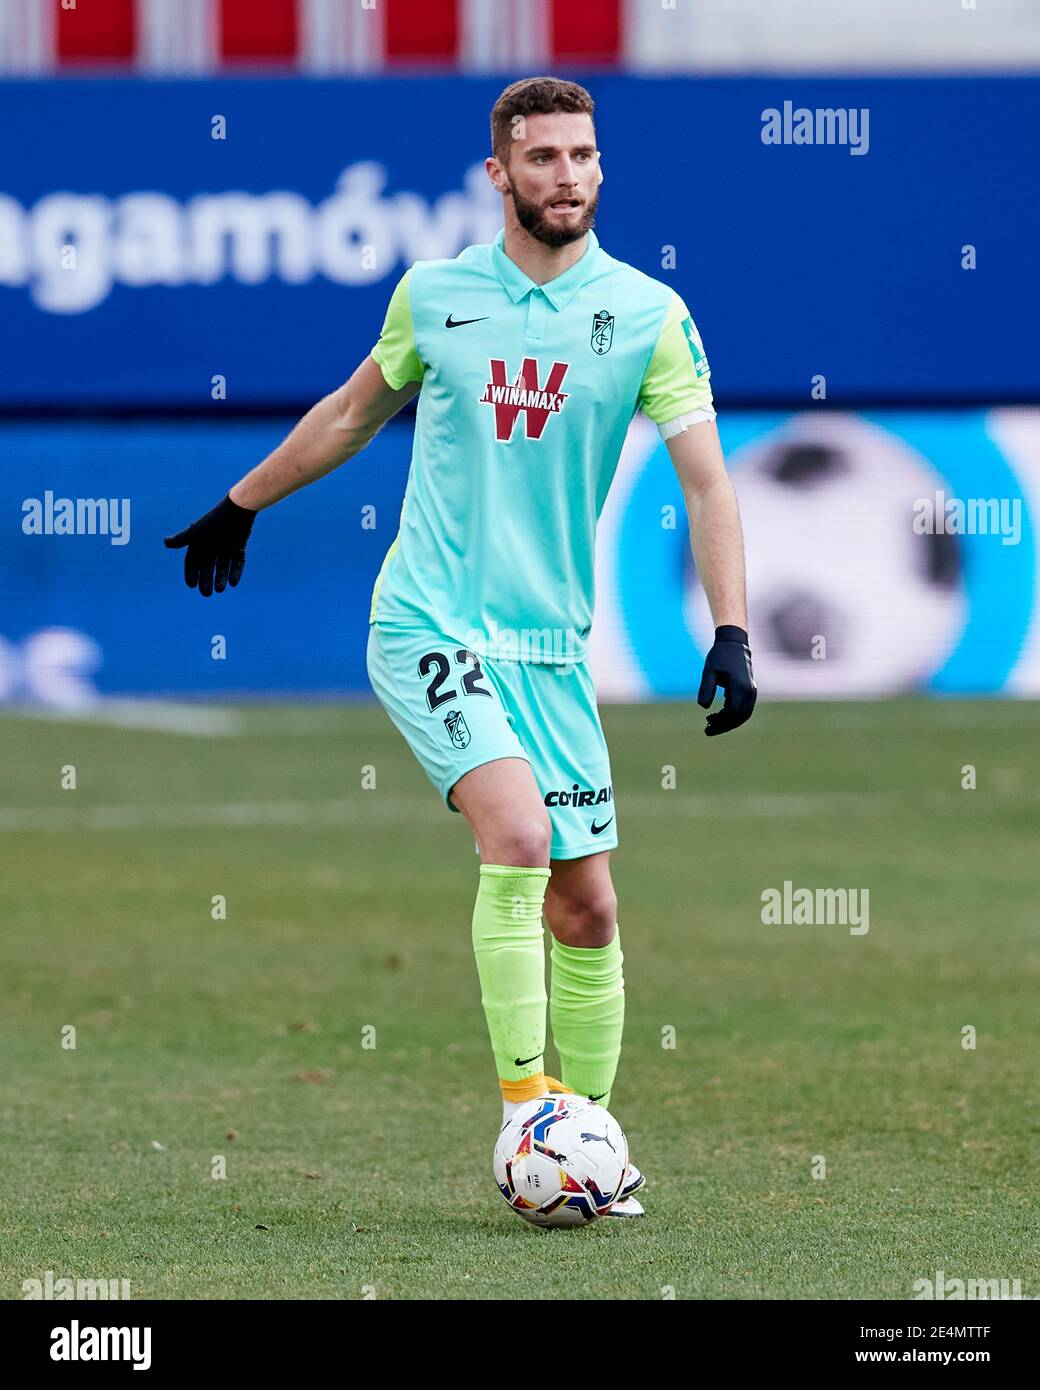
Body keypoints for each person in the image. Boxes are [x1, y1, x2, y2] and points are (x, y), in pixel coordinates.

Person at [165, 75, 757, 1217]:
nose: (566, 177)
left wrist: (730, 627)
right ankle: (525, 1110)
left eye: (582, 156)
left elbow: (706, 478)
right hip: (428, 620)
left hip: (548, 649)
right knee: (519, 833)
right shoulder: (435, 295)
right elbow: (350, 412)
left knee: (587, 907)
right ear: (498, 174)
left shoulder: (646, 313)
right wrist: (243, 500)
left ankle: (582, 1144)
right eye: (541, 159)